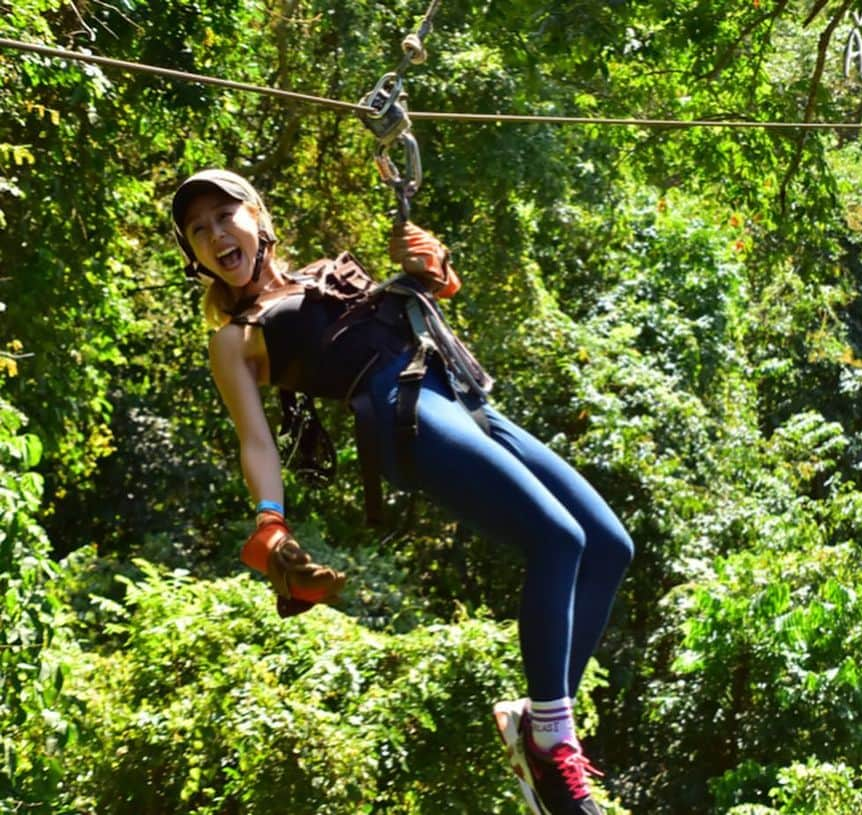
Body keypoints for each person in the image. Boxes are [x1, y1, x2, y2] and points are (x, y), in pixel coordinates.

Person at [171, 169, 634, 815]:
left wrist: (431, 271)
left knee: (609, 545)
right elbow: (256, 438)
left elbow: (416, 310)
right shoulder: (236, 335)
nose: (216, 233)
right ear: (197, 258)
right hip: (398, 414)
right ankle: (551, 741)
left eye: (225, 216)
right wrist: (269, 521)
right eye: (199, 230)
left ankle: (539, 718)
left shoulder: (321, 276)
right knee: (557, 538)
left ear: (257, 217)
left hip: (459, 398)